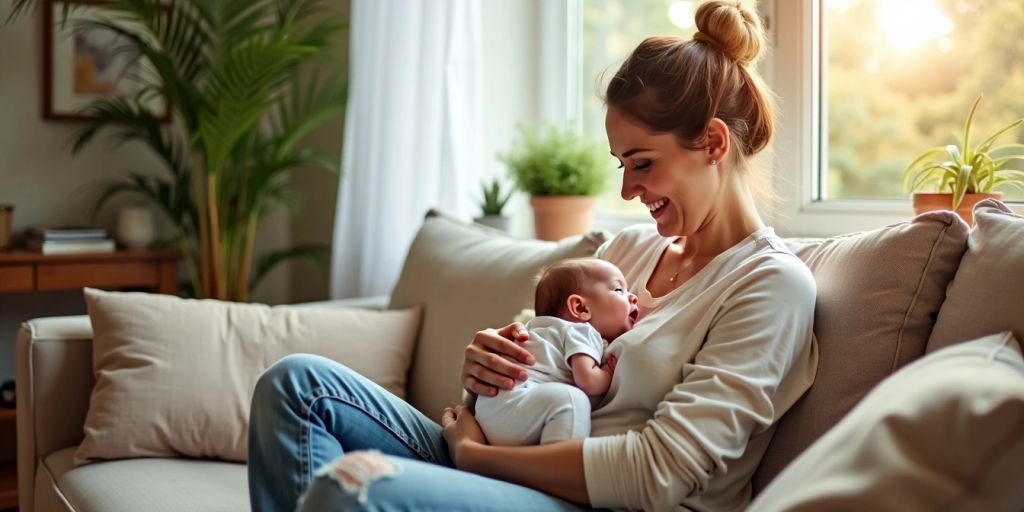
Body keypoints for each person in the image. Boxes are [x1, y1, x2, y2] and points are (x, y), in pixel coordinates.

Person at [247, 1, 818, 510]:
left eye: (642, 163)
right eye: (622, 165)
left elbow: (660, 473)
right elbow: (530, 360)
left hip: (593, 497)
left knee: (355, 488)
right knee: (297, 385)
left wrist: (475, 456)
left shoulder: (769, 285)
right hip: (507, 463)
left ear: (714, 143)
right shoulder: (626, 253)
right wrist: (483, 374)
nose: (626, 191)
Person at [475, 257, 640, 446]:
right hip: (515, 406)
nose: (633, 296)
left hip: (488, 411)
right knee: (571, 400)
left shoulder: (537, 329)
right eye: (619, 289)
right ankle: (551, 469)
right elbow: (588, 380)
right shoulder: (581, 330)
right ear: (581, 308)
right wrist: (609, 373)